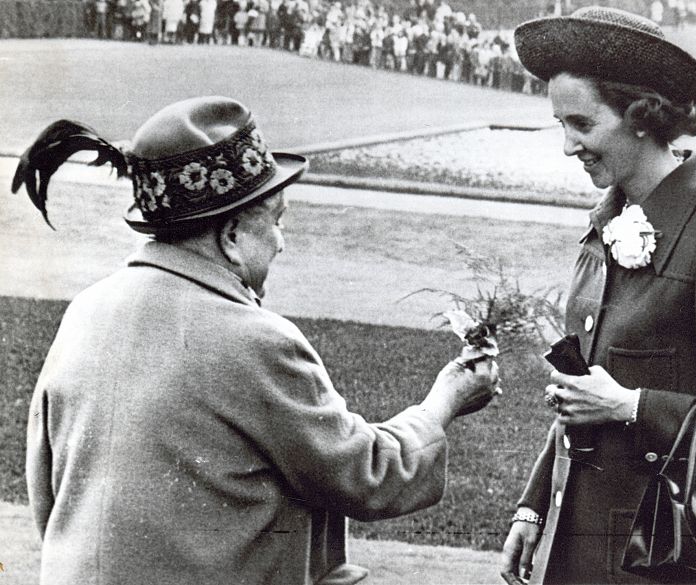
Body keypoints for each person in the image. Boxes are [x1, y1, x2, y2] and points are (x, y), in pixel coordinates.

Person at [15, 96, 500, 585]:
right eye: (276, 220)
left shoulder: (85, 311)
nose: (281, 240)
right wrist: (444, 403)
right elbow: (367, 476)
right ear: (230, 235)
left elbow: (50, 494)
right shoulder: (254, 340)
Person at [502, 7, 696, 584]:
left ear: (640, 115)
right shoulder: (606, 224)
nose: (567, 145)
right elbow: (583, 391)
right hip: (577, 543)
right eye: (561, 124)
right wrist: (535, 503)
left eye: (581, 124)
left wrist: (632, 408)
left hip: (663, 553)